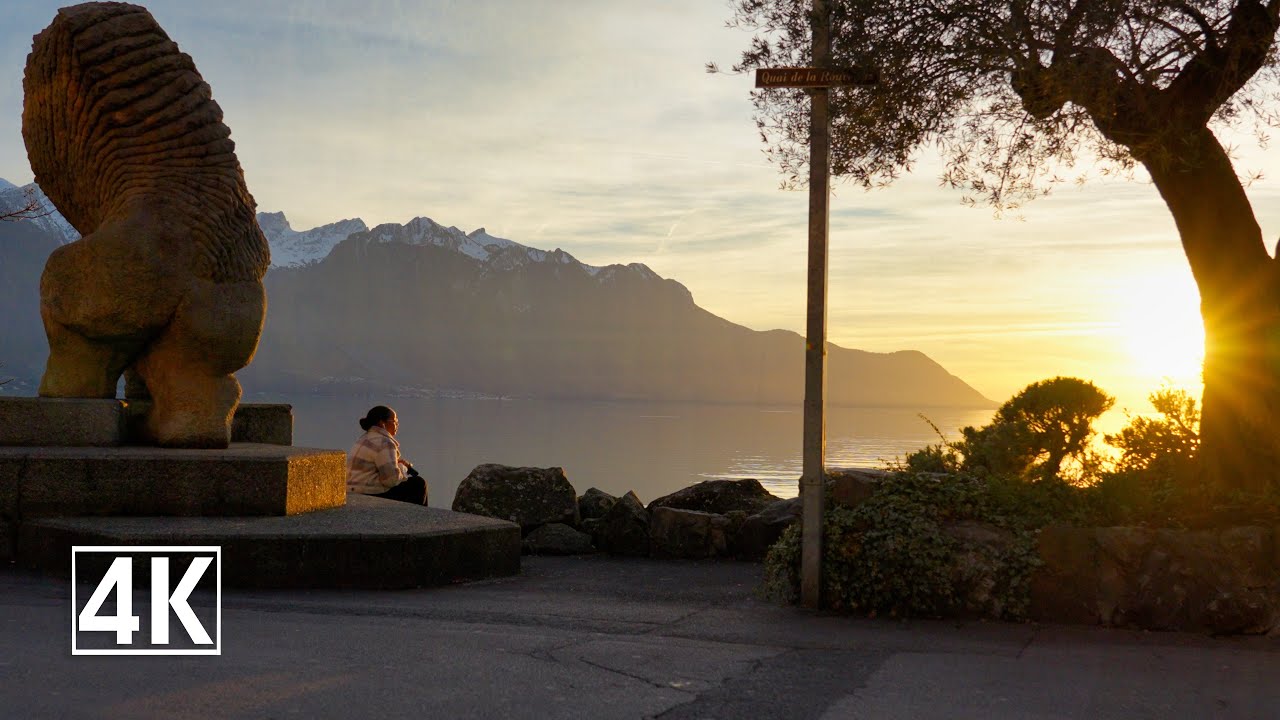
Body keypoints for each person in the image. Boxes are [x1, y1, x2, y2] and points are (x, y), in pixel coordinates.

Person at [346, 405, 427, 505]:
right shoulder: (384, 442)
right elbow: (391, 480)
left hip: (351, 491)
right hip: (368, 493)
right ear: (382, 423)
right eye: (394, 421)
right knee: (418, 484)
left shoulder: (365, 438)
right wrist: (403, 467)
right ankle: (417, 519)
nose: (397, 425)